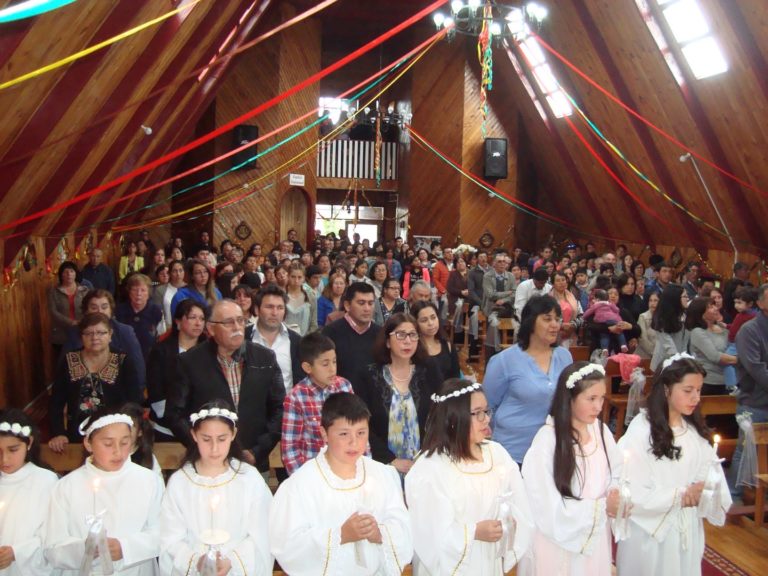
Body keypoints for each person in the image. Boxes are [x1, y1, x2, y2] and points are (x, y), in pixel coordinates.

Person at [269, 393, 413, 574]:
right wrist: (340, 536)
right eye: (344, 434)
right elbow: (287, 545)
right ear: (324, 433)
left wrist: (380, 534)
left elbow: (402, 526)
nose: (354, 442)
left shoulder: (382, 475)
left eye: (361, 433)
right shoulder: (301, 485)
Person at [616, 354, 732, 576]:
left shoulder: (694, 433)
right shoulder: (641, 432)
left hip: (685, 527)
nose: (695, 398)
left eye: (699, 390)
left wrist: (705, 489)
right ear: (667, 390)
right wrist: (680, 495)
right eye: (688, 391)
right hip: (649, 533)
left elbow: (710, 475)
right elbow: (631, 489)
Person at [406, 379, 534, 574]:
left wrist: (509, 523)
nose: (486, 419)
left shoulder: (497, 454)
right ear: (453, 418)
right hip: (453, 566)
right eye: (477, 413)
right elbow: (429, 531)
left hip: (488, 561)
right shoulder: (431, 467)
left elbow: (519, 504)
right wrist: (473, 532)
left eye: (486, 411)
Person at [521, 362, 621, 576]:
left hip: (593, 537)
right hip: (557, 542)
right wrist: (600, 508)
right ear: (570, 398)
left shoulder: (601, 433)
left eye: (602, 398)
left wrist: (616, 493)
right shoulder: (547, 441)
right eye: (591, 399)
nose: (599, 407)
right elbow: (543, 503)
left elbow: (617, 471)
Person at [166, 300, 285, 475]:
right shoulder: (190, 362)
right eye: (229, 322)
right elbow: (175, 414)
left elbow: (279, 409)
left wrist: (258, 451)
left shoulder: (264, 358)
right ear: (211, 328)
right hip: (207, 463)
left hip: (254, 463)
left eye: (241, 320)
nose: (237, 327)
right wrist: (204, 447)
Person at [44, 407, 164, 575]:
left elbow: (163, 533)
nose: (118, 451)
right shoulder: (67, 487)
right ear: (88, 443)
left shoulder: (149, 481)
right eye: (108, 443)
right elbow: (52, 548)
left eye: (124, 442)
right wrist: (84, 550)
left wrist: (125, 548)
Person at [159, 400, 273, 575]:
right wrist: (195, 561)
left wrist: (232, 560)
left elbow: (262, 532)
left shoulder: (249, 479)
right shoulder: (180, 483)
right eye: (206, 439)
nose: (214, 448)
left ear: (233, 434)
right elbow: (170, 537)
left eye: (222, 439)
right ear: (194, 435)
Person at [484, 295, 573, 464]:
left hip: (551, 450)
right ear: (531, 322)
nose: (555, 325)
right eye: (547, 319)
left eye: (557, 319)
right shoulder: (504, 361)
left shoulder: (564, 357)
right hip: (512, 451)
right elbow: (487, 405)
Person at [352, 313, 441, 472]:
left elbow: (440, 415)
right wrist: (390, 460)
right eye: (400, 335)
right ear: (387, 341)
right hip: (382, 466)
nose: (407, 341)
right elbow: (361, 424)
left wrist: (428, 455)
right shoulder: (368, 376)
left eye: (413, 335)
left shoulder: (429, 370)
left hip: (425, 463)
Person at [49, 313, 142, 452]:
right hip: (77, 435)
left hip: (115, 435)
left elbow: (134, 402)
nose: (95, 338)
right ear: (81, 336)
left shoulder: (123, 361)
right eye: (88, 333)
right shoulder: (70, 360)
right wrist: (59, 433)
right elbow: (56, 402)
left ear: (110, 334)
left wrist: (130, 432)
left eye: (100, 332)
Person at [281, 332, 354, 475]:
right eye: (325, 364)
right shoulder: (296, 397)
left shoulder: (344, 386)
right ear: (308, 367)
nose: (332, 369)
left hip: (346, 469)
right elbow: (290, 448)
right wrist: (303, 482)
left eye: (334, 361)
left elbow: (357, 428)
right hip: (313, 474)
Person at [0, 409, 58, 576]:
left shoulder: (46, 481)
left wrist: (16, 552)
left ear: (29, 443)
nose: (4, 459)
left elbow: (52, 535)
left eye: (13, 450)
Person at [146, 299, 207, 441]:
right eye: (192, 318)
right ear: (178, 322)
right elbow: (155, 390)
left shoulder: (210, 351)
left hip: (202, 424)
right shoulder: (161, 351)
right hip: (166, 426)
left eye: (202, 319)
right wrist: (172, 420)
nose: (198, 323)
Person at [63, 290, 145, 389]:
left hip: (119, 392)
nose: (99, 311)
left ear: (111, 310)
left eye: (104, 307)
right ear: (86, 311)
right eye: (94, 308)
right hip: (81, 391)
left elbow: (138, 367)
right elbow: (64, 367)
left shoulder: (125, 332)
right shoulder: (75, 332)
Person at [730, 283, 768, 495]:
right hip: (754, 400)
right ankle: (735, 497)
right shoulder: (749, 330)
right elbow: (756, 368)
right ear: (760, 302)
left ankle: (762, 499)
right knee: (745, 450)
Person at [246, 284, 304, 391]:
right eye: (269, 307)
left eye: (280, 308)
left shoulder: (296, 341)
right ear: (257, 310)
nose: (275, 313)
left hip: (286, 405)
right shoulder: (244, 338)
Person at [323, 282, 381, 383]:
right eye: (361, 303)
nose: (367, 308)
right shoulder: (330, 332)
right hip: (340, 395)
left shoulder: (381, 333)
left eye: (370, 303)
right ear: (347, 305)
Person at [686, 297, 737, 395]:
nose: (716, 308)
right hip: (710, 383)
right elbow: (715, 356)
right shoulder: (698, 332)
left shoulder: (723, 327)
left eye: (714, 305)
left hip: (730, 379)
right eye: (710, 307)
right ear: (701, 313)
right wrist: (740, 360)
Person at [115, 273, 163, 361]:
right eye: (135, 290)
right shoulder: (119, 310)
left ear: (148, 293)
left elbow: (161, 336)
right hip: (124, 358)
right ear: (129, 292)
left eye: (143, 290)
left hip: (149, 358)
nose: (139, 294)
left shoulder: (156, 311)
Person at [48, 260, 90, 356]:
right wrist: (71, 322)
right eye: (65, 272)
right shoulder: (53, 291)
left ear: (75, 274)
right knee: (62, 364)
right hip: (61, 334)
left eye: (71, 271)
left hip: (81, 332)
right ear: (61, 275)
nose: (69, 274)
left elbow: (89, 309)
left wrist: (82, 322)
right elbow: (53, 312)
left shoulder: (84, 290)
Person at [411, 300, 459, 379]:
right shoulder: (412, 348)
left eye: (433, 318)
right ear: (415, 323)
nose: (431, 323)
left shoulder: (447, 345)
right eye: (424, 320)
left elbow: (456, 376)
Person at [651, 284, 690, 371]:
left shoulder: (684, 316)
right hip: (664, 362)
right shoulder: (662, 318)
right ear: (675, 298)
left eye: (687, 296)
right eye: (684, 296)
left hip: (679, 361)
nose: (687, 299)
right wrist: (679, 360)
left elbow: (685, 341)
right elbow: (668, 346)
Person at [583, 289, 629, 353]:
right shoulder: (609, 304)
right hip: (613, 320)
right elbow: (591, 326)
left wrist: (629, 326)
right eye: (610, 294)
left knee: (604, 335)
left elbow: (587, 313)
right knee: (619, 333)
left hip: (602, 320)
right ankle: (623, 345)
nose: (613, 296)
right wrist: (609, 328)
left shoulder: (596, 305)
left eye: (616, 294)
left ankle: (605, 349)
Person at [120, 401, 160, 474]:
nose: (126, 431)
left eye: (131, 426)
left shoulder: (147, 458)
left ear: (140, 432)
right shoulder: (112, 454)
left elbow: (156, 482)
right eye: (123, 425)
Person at [551, 270, 583, 349]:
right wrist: (561, 324)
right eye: (558, 280)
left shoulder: (573, 297)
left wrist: (572, 324)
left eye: (563, 280)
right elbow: (546, 317)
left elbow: (582, 315)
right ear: (553, 283)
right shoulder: (548, 299)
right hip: (554, 334)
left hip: (572, 333)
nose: (561, 283)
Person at [284, 263, 318, 336]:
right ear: (288, 276)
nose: (296, 280)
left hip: (304, 341)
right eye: (293, 277)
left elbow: (313, 323)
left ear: (304, 278)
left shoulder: (311, 297)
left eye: (299, 277)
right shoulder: (281, 296)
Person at [637, 291, 660, 359]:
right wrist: (655, 354)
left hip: (660, 356)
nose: (652, 303)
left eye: (656, 300)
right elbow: (643, 339)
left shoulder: (664, 318)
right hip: (645, 356)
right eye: (650, 301)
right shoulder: (643, 317)